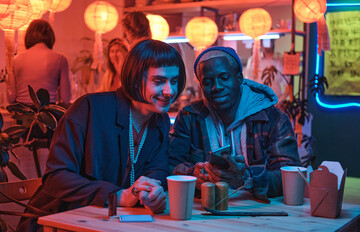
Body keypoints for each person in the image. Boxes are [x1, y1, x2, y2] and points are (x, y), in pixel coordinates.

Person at [17, 40, 186, 231]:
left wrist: (151, 191)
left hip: (114, 223)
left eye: (174, 81)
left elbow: (157, 170)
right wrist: (117, 196)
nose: (169, 91)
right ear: (136, 79)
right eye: (159, 81)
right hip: (57, 221)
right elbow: (56, 176)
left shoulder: (160, 121)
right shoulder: (89, 108)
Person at [168, 46, 300, 201]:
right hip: (205, 212)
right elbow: (170, 166)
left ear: (239, 79)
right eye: (207, 81)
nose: (217, 87)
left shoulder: (274, 119)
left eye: (224, 78)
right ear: (201, 87)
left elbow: (291, 178)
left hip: (261, 213)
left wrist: (247, 178)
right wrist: (193, 175)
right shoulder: (189, 118)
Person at [7, 19, 71, 107]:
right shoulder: (60, 59)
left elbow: (11, 98)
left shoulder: (16, 59)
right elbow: (65, 99)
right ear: (50, 36)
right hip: (48, 114)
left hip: (23, 114)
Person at [243, 39, 289, 104]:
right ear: (260, 42)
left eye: (270, 40)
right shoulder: (253, 60)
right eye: (264, 40)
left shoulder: (279, 59)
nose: (267, 43)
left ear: (273, 40)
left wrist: (280, 102)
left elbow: (288, 85)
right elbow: (248, 84)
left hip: (276, 103)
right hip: (258, 104)